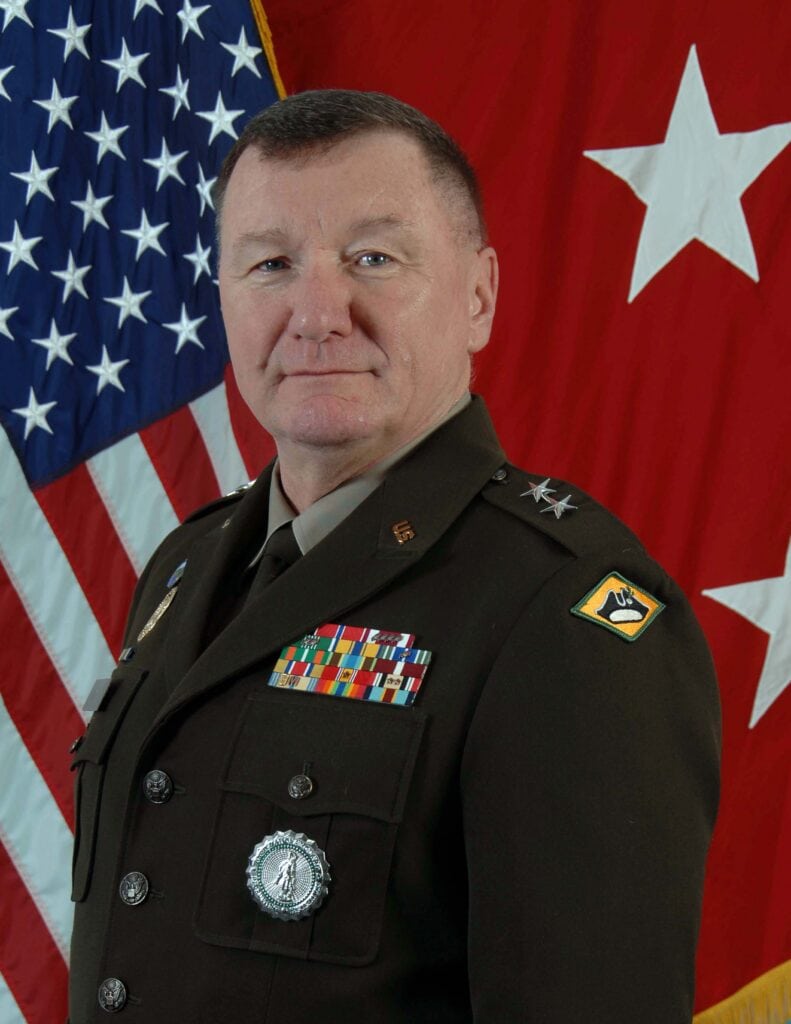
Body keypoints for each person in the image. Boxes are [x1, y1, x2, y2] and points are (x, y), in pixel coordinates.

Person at [68, 90, 720, 1022]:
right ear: (222, 296)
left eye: (373, 258)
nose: (316, 313)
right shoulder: (187, 562)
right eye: (270, 264)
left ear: (478, 295)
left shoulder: (561, 608)